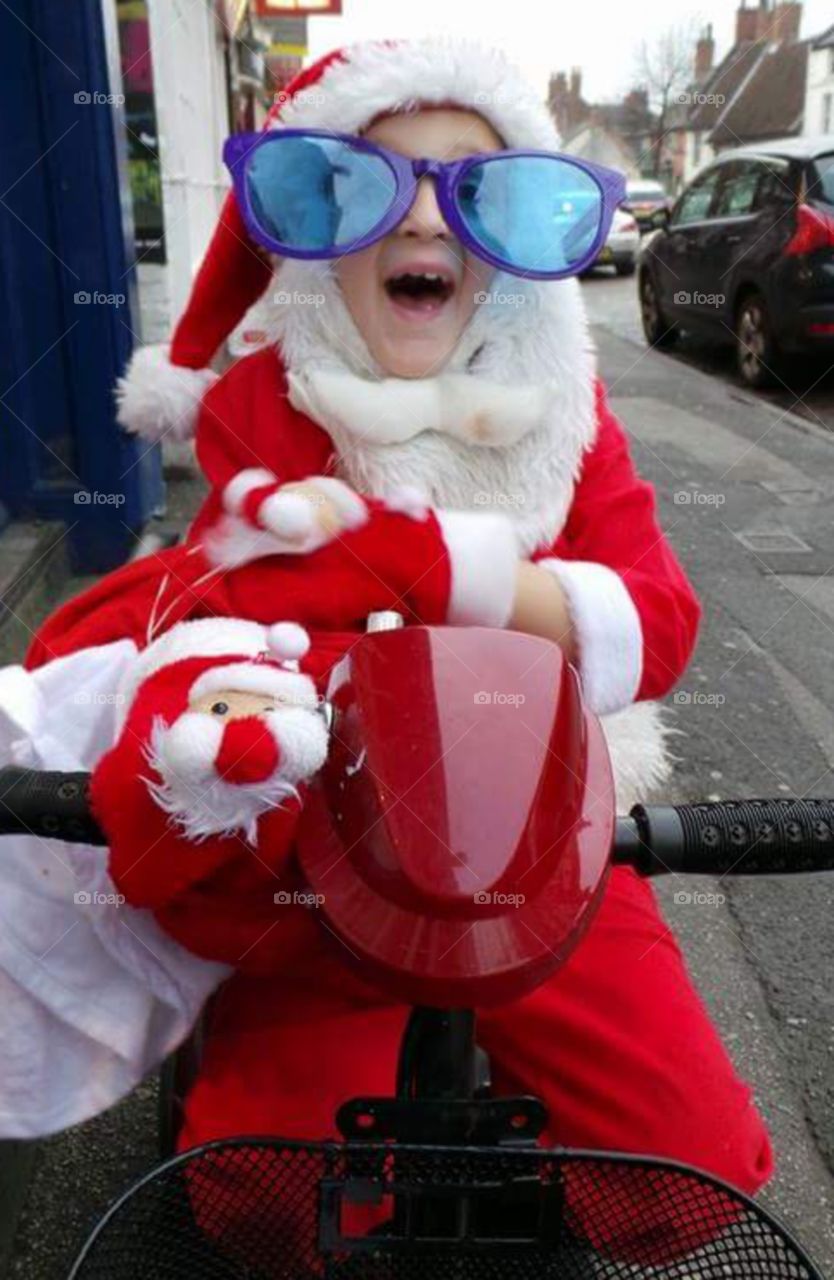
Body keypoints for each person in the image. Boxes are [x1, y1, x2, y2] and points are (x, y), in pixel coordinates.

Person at [1, 36, 771, 1231]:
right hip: (327, 844)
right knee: (265, 1205)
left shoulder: (564, 411)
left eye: (472, 188)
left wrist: (436, 565)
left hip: (542, 830)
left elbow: (657, 616)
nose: (420, 218)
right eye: (369, 183)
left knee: (690, 1175)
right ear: (318, 226)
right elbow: (235, 610)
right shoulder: (266, 399)